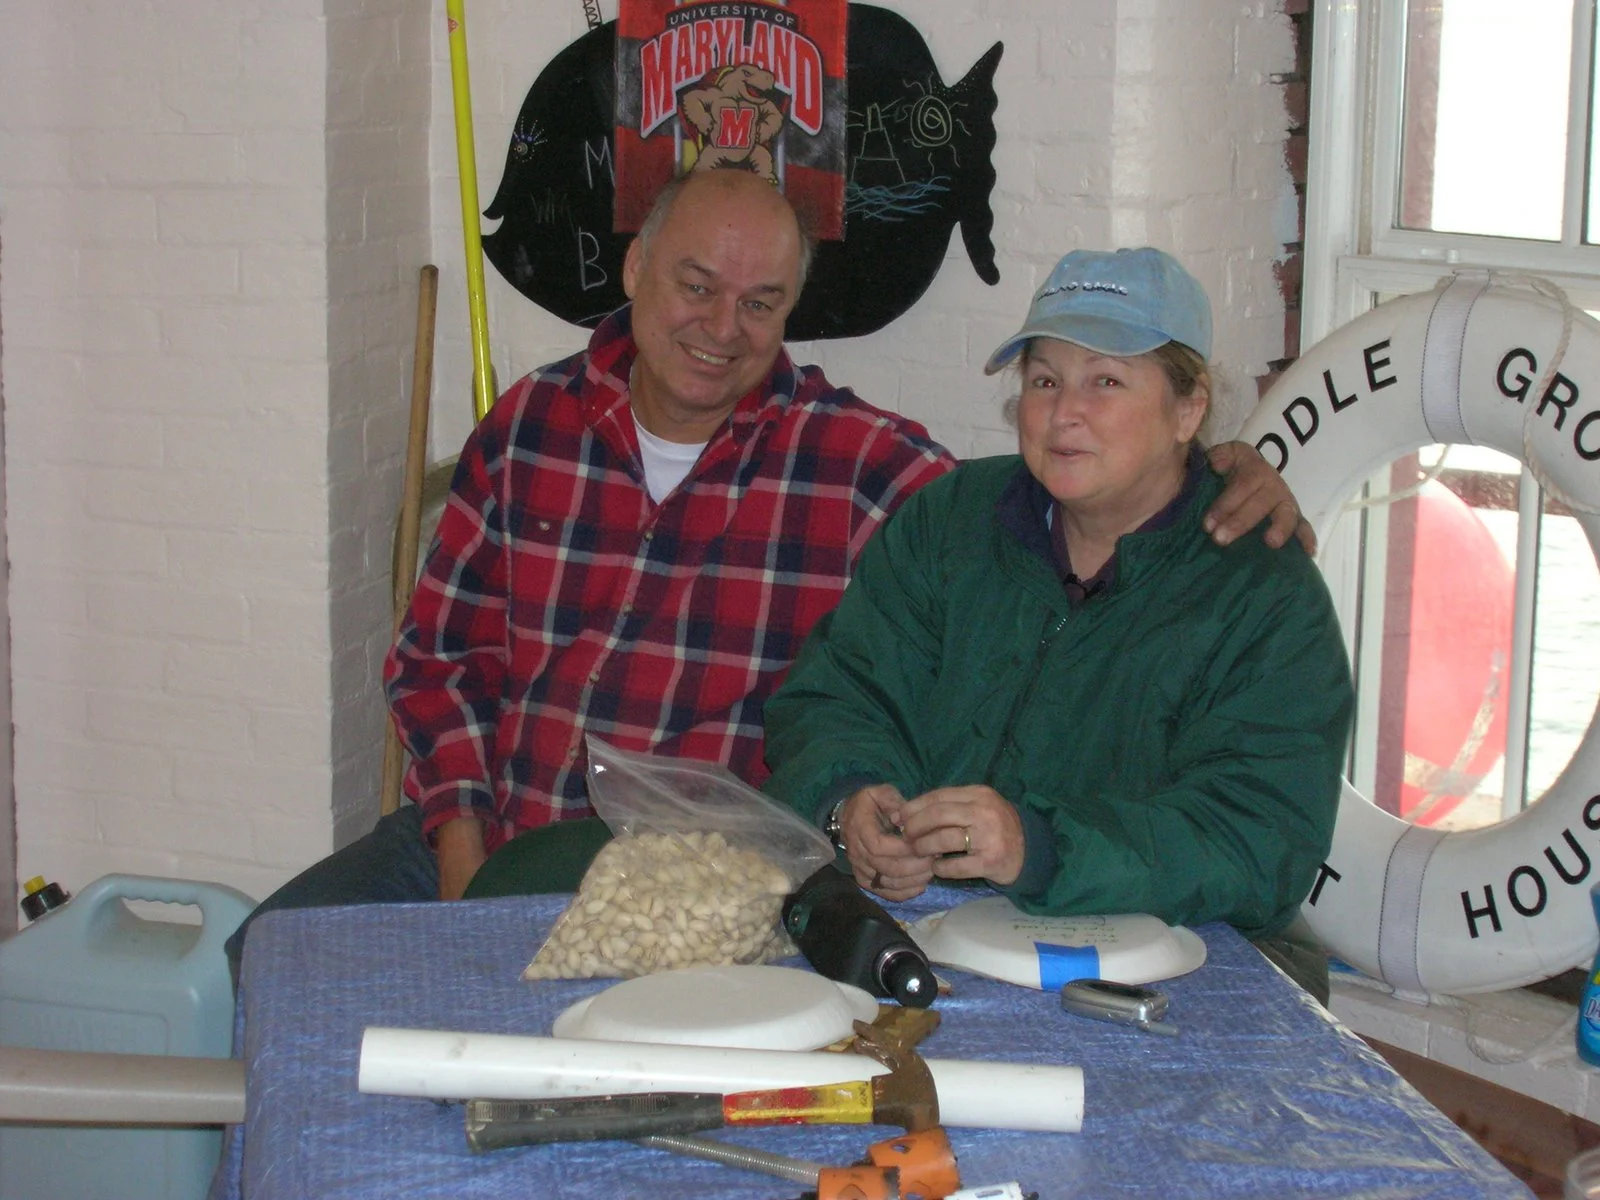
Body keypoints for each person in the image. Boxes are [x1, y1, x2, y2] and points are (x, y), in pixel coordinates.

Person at [224, 175, 1309, 980]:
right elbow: (438, 662)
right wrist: (461, 852)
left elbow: (1052, 491)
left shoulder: (857, 466)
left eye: (761, 301)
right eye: (697, 284)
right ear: (638, 269)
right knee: (267, 962)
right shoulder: (528, 427)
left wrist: (1222, 468)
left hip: (682, 888)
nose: (721, 327)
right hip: (476, 832)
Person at [761, 246, 1355, 999]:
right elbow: (836, 695)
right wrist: (850, 806)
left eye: (1106, 380)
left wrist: (1037, 847)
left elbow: (1258, 842)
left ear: (1189, 408)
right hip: (938, 935)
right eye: (1044, 380)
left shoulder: (1263, 592)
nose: (1064, 411)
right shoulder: (951, 521)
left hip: (1187, 957)